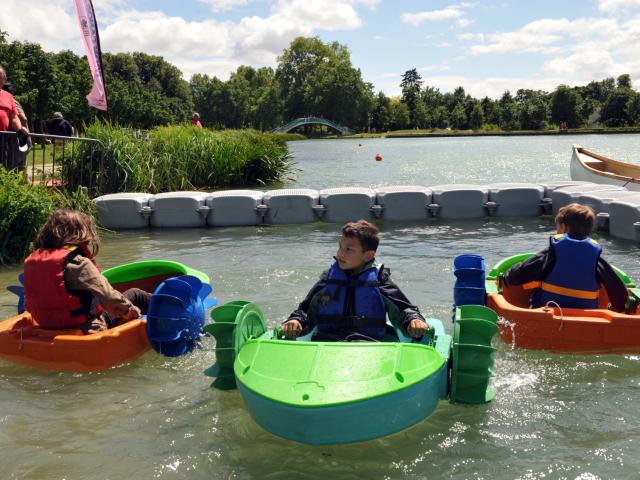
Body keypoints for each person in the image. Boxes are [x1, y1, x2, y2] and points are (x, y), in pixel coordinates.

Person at [282, 220, 429, 341]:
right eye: (340, 247)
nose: (340, 253)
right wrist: (296, 321)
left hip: (369, 342)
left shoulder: (379, 280)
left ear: (368, 256)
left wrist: (413, 320)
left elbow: (403, 308)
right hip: (327, 342)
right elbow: (305, 310)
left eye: (349, 250)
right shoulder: (328, 279)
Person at [23, 209, 152, 334]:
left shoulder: (32, 262)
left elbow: (29, 304)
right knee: (136, 294)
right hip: (88, 329)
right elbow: (110, 297)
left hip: (46, 329)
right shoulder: (78, 263)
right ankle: (168, 311)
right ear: (79, 234)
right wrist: (131, 311)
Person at [505, 203, 628, 312]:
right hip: (586, 319)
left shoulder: (552, 253)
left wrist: (508, 276)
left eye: (558, 228)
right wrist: (618, 308)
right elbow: (620, 294)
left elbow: (518, 275)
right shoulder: (596, 258)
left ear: (564, 227)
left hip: (548, 312)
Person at [0, 66, 28, 134]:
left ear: (5, 79)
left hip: (3, 137)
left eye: (0, 77)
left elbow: (14, 117)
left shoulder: (9, 96)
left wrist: (20, 129)